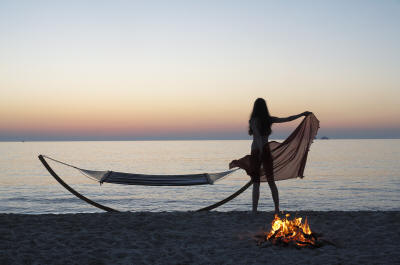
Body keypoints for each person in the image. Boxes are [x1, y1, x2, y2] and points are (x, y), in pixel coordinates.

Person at [248, 98, 311, 214]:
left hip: (257, 152)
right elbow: (287, 119)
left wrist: (302, 114)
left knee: (256, 183)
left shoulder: (253, 120)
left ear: (255, 108)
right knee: (271, 182)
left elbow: (257, 136)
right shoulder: (268, 119)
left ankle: (254, 210)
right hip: (264, 151)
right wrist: (302, 114)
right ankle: (276, 209)